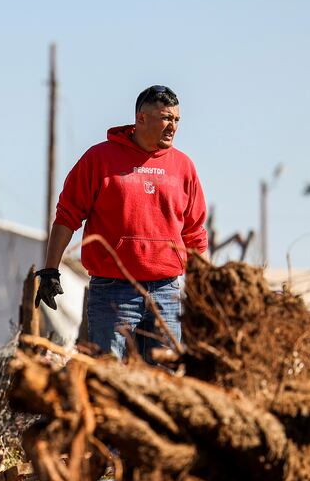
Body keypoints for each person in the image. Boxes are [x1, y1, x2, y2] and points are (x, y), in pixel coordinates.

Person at [35, 85, 208, 362]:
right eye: (166, 118)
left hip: (166, 292)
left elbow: (195, 232)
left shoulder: (183, 167)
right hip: (113, 292)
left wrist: (205, 286)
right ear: (141, 118)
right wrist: (50, 271)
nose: (173, 126)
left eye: (176, 119)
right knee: (108, 374)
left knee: (164, 378)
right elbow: (67, 216)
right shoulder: (99, 159)